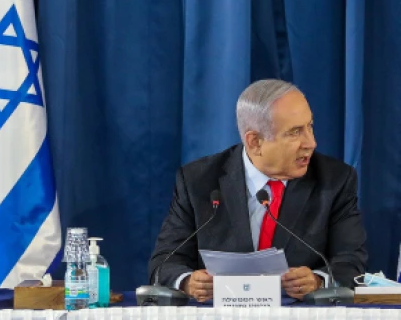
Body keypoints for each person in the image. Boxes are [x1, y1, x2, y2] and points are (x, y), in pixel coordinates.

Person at [148, 79, 367, 302]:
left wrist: (319, 281)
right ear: (254, 142)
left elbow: (351, 262)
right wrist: (186, 281)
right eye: (294, 132)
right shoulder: (199, 181)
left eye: (310, 126)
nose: (311, 143)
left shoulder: (334, 180)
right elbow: (164, 262)